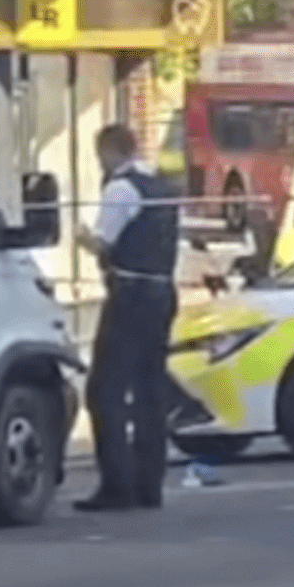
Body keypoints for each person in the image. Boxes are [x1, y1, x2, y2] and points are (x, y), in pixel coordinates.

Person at [73, 124, 180, 512]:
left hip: (131, 294)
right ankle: (149, 484)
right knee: (150, 390)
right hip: (163, 292)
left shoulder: (121, 189)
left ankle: (117, 485)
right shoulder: (161, 187)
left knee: (105, 390)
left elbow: (105, 242)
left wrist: (80, 237)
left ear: (108, 151)